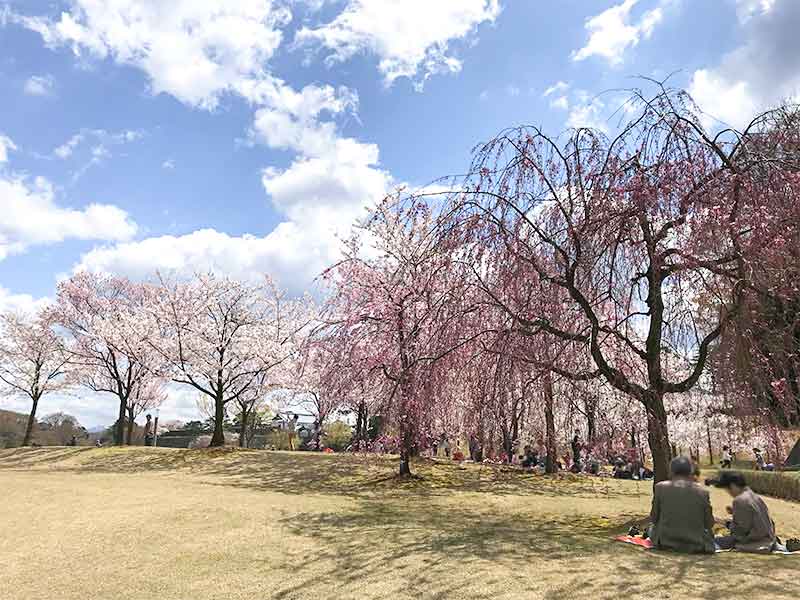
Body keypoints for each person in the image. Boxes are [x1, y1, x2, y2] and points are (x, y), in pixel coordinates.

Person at [648, 456, 715, 554]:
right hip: (696, 543)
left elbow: (654, 518)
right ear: (690, 471)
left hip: (665, 542)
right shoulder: (703, 491)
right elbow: (709, 523)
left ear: (671, 471)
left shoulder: (660, 488)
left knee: (651, 528)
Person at [714, 471, 777, 553]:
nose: (729, 493)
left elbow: (740, 531)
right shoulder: (754, 496)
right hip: (767, 538)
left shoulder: (740, 500)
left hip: (755, 542)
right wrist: (734, 513)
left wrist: (724, 523)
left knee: (713, 542)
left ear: (732, 486)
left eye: (727, 490)